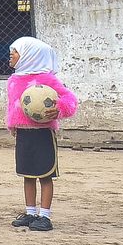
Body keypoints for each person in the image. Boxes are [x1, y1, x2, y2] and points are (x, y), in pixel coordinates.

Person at [6, 36, 79, 232]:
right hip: (23, 134)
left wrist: (60, 108)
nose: (11, 54)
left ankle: (45, 216)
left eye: (15, 51)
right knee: (27, 174)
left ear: (30, 55)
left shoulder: (48, 79)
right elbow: (12, 106)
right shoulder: (14, 80)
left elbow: (70, 100)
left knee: (45, 175)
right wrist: (12, 125)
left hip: (43, 134)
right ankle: (30, 213)